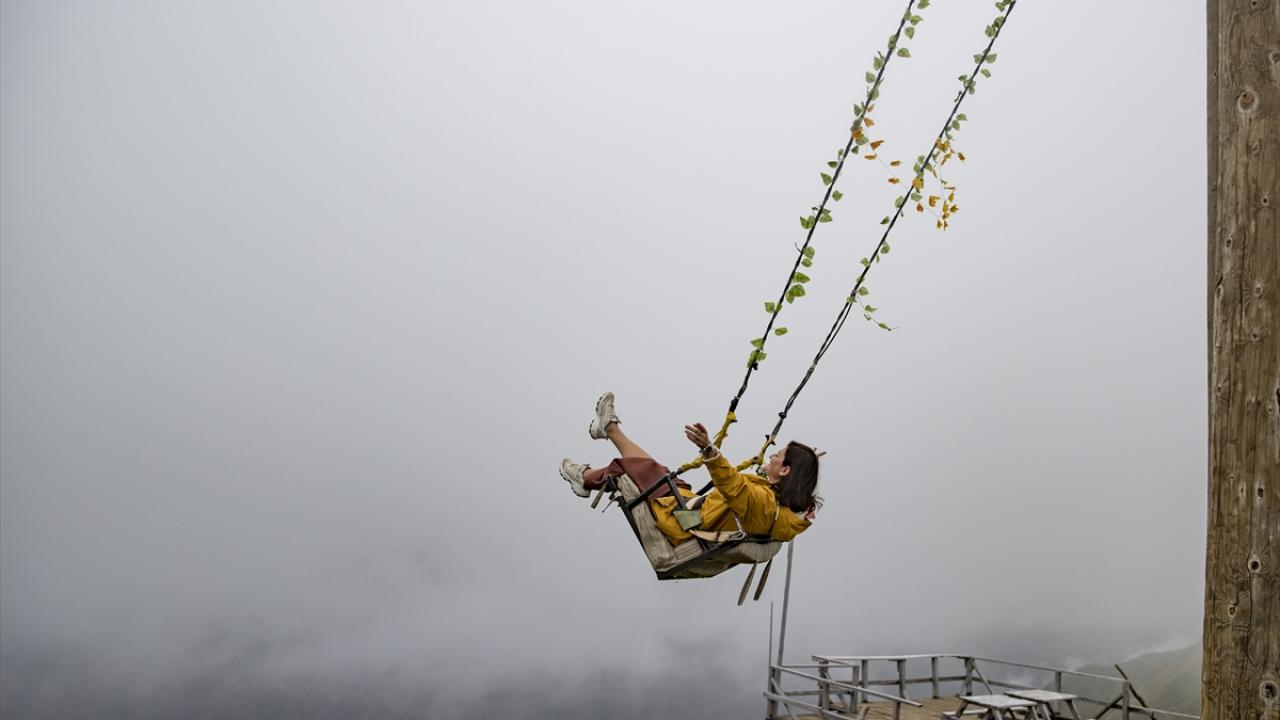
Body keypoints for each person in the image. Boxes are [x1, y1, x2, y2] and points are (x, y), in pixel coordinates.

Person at [560, 392, 820, 545]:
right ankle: (609, 428)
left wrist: (709, 449)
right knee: (656, 471)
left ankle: (584, 478)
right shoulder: (783, 511)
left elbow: (735, 486)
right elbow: (756, 495)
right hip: (698, 512)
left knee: (633, 470)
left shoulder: (763, 503)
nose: (772, 455)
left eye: (779, 455)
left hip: (686, 523)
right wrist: (806, 466)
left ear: (785, 471)